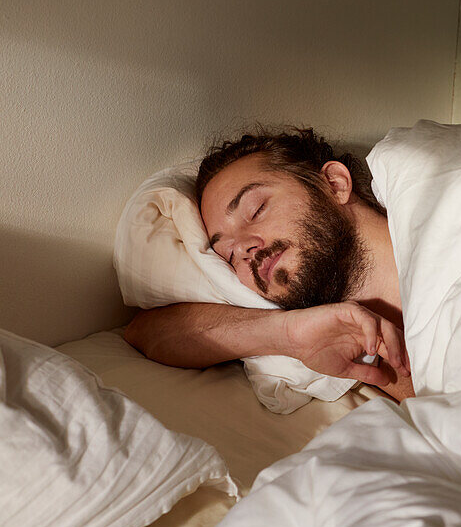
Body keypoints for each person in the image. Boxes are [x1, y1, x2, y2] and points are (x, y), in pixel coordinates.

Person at [123, 128, 415, 402]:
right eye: (228, 255)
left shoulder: (451, 233)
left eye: (257, 209)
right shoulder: (369, 356)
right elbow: (147, 332)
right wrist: (287, 336)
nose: (244, 249)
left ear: (334, 184)